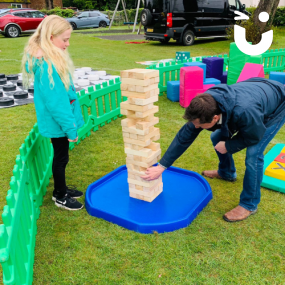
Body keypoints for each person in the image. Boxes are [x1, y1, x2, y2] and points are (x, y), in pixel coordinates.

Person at [142, 78, 285, 222]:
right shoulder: (205, 104)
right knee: (217, 137)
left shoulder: (245, 111)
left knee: (254, 155)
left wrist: (229, 146)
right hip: (255, 92)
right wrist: (162, 166)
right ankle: (227, 172)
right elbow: (185, 136)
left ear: (215, 117)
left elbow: (254, 136)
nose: (196, 127)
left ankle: (249, 204)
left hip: (277, 104)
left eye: (199, 125)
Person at [22, 15, 85, 211]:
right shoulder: (47, 66)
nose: (67, 44)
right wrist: (71, 129)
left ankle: (62, 189)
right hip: (59, 125)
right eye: (64, 39)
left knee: (61, 158)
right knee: (61, 159)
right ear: (50, 37)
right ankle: (60, 195)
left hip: (59, 123)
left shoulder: (50, 60)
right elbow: (57, 104)